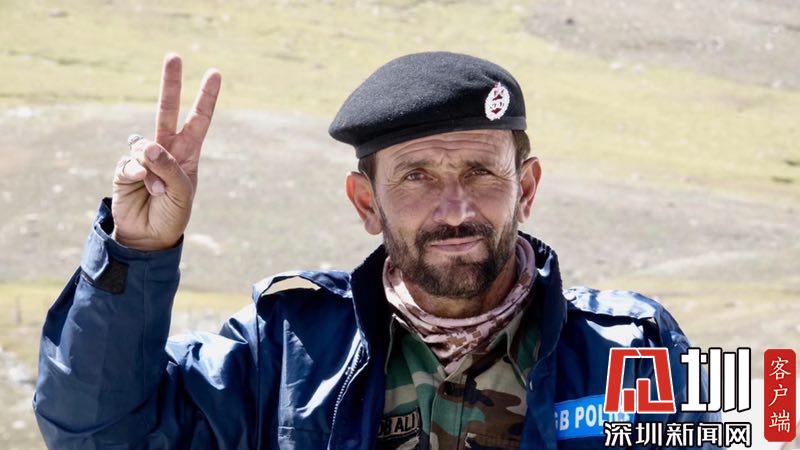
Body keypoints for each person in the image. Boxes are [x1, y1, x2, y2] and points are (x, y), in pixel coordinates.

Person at [33, 51, 718, 449]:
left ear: (527, 189)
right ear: (367, 203)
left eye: (482, 172)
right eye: (417, 178)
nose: (457, 210)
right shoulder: (287, 350)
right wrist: (136, 250)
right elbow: (96, 433)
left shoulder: (635, 348)